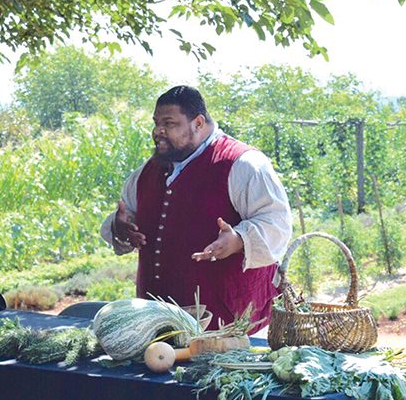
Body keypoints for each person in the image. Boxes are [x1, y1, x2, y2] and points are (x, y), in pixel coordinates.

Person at [100, 85, 292, 330]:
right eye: (156, 123)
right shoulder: (148, 171)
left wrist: (239, 239)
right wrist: (120, 226)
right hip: (158, 327)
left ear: (198, 123)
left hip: (228, 326)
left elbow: (277, 224)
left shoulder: (243, 164)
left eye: (169, 123)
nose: (158, 131)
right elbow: (126, 217)